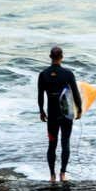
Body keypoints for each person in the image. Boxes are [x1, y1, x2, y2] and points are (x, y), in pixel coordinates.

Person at [37, 46, 82, 182]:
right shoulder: (68, 74)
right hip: (66, 113)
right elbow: (75, 93)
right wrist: (79, 108)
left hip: (52, 114)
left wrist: (41, 111)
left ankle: (52, 176)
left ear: (50, 57)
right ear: (62, 57)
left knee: (52, 144)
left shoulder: (43, 74)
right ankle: (62, 174)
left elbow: (40, 96)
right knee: (65, 143)